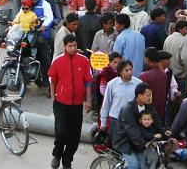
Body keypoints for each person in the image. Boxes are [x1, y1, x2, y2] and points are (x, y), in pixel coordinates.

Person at [49, 34, 92, 169]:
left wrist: (88, 100)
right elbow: (52, 80)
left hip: (77, 105)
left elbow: (88, 82)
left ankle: (67, 162)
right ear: (64, 47)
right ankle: (57, 154)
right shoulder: (57, 61)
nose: (73, 48)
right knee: (61, 132)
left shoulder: (84, 61)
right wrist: (53, 98)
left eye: (75, 45)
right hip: (61, 103)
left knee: (74, 136)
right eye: (70, 46)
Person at [114, 82, 160, 169]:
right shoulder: (127, 109)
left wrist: (165, 132)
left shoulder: (148, 106)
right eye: (148, 95)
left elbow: (157, 121)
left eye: (151, 95)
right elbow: (132, 131)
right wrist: (144, 143)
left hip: (138, 142)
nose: (150, 97)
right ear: (139, 96)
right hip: (125, 142)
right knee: (135, 165)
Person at [101, 59, 139, 132]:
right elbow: (106, 104)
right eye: (126, 70)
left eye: (131, 69)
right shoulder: (112, 84)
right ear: (120, 72)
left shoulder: (138, 84)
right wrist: (103, 123)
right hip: (116, 121)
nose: (129, 72)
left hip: (133, 121)